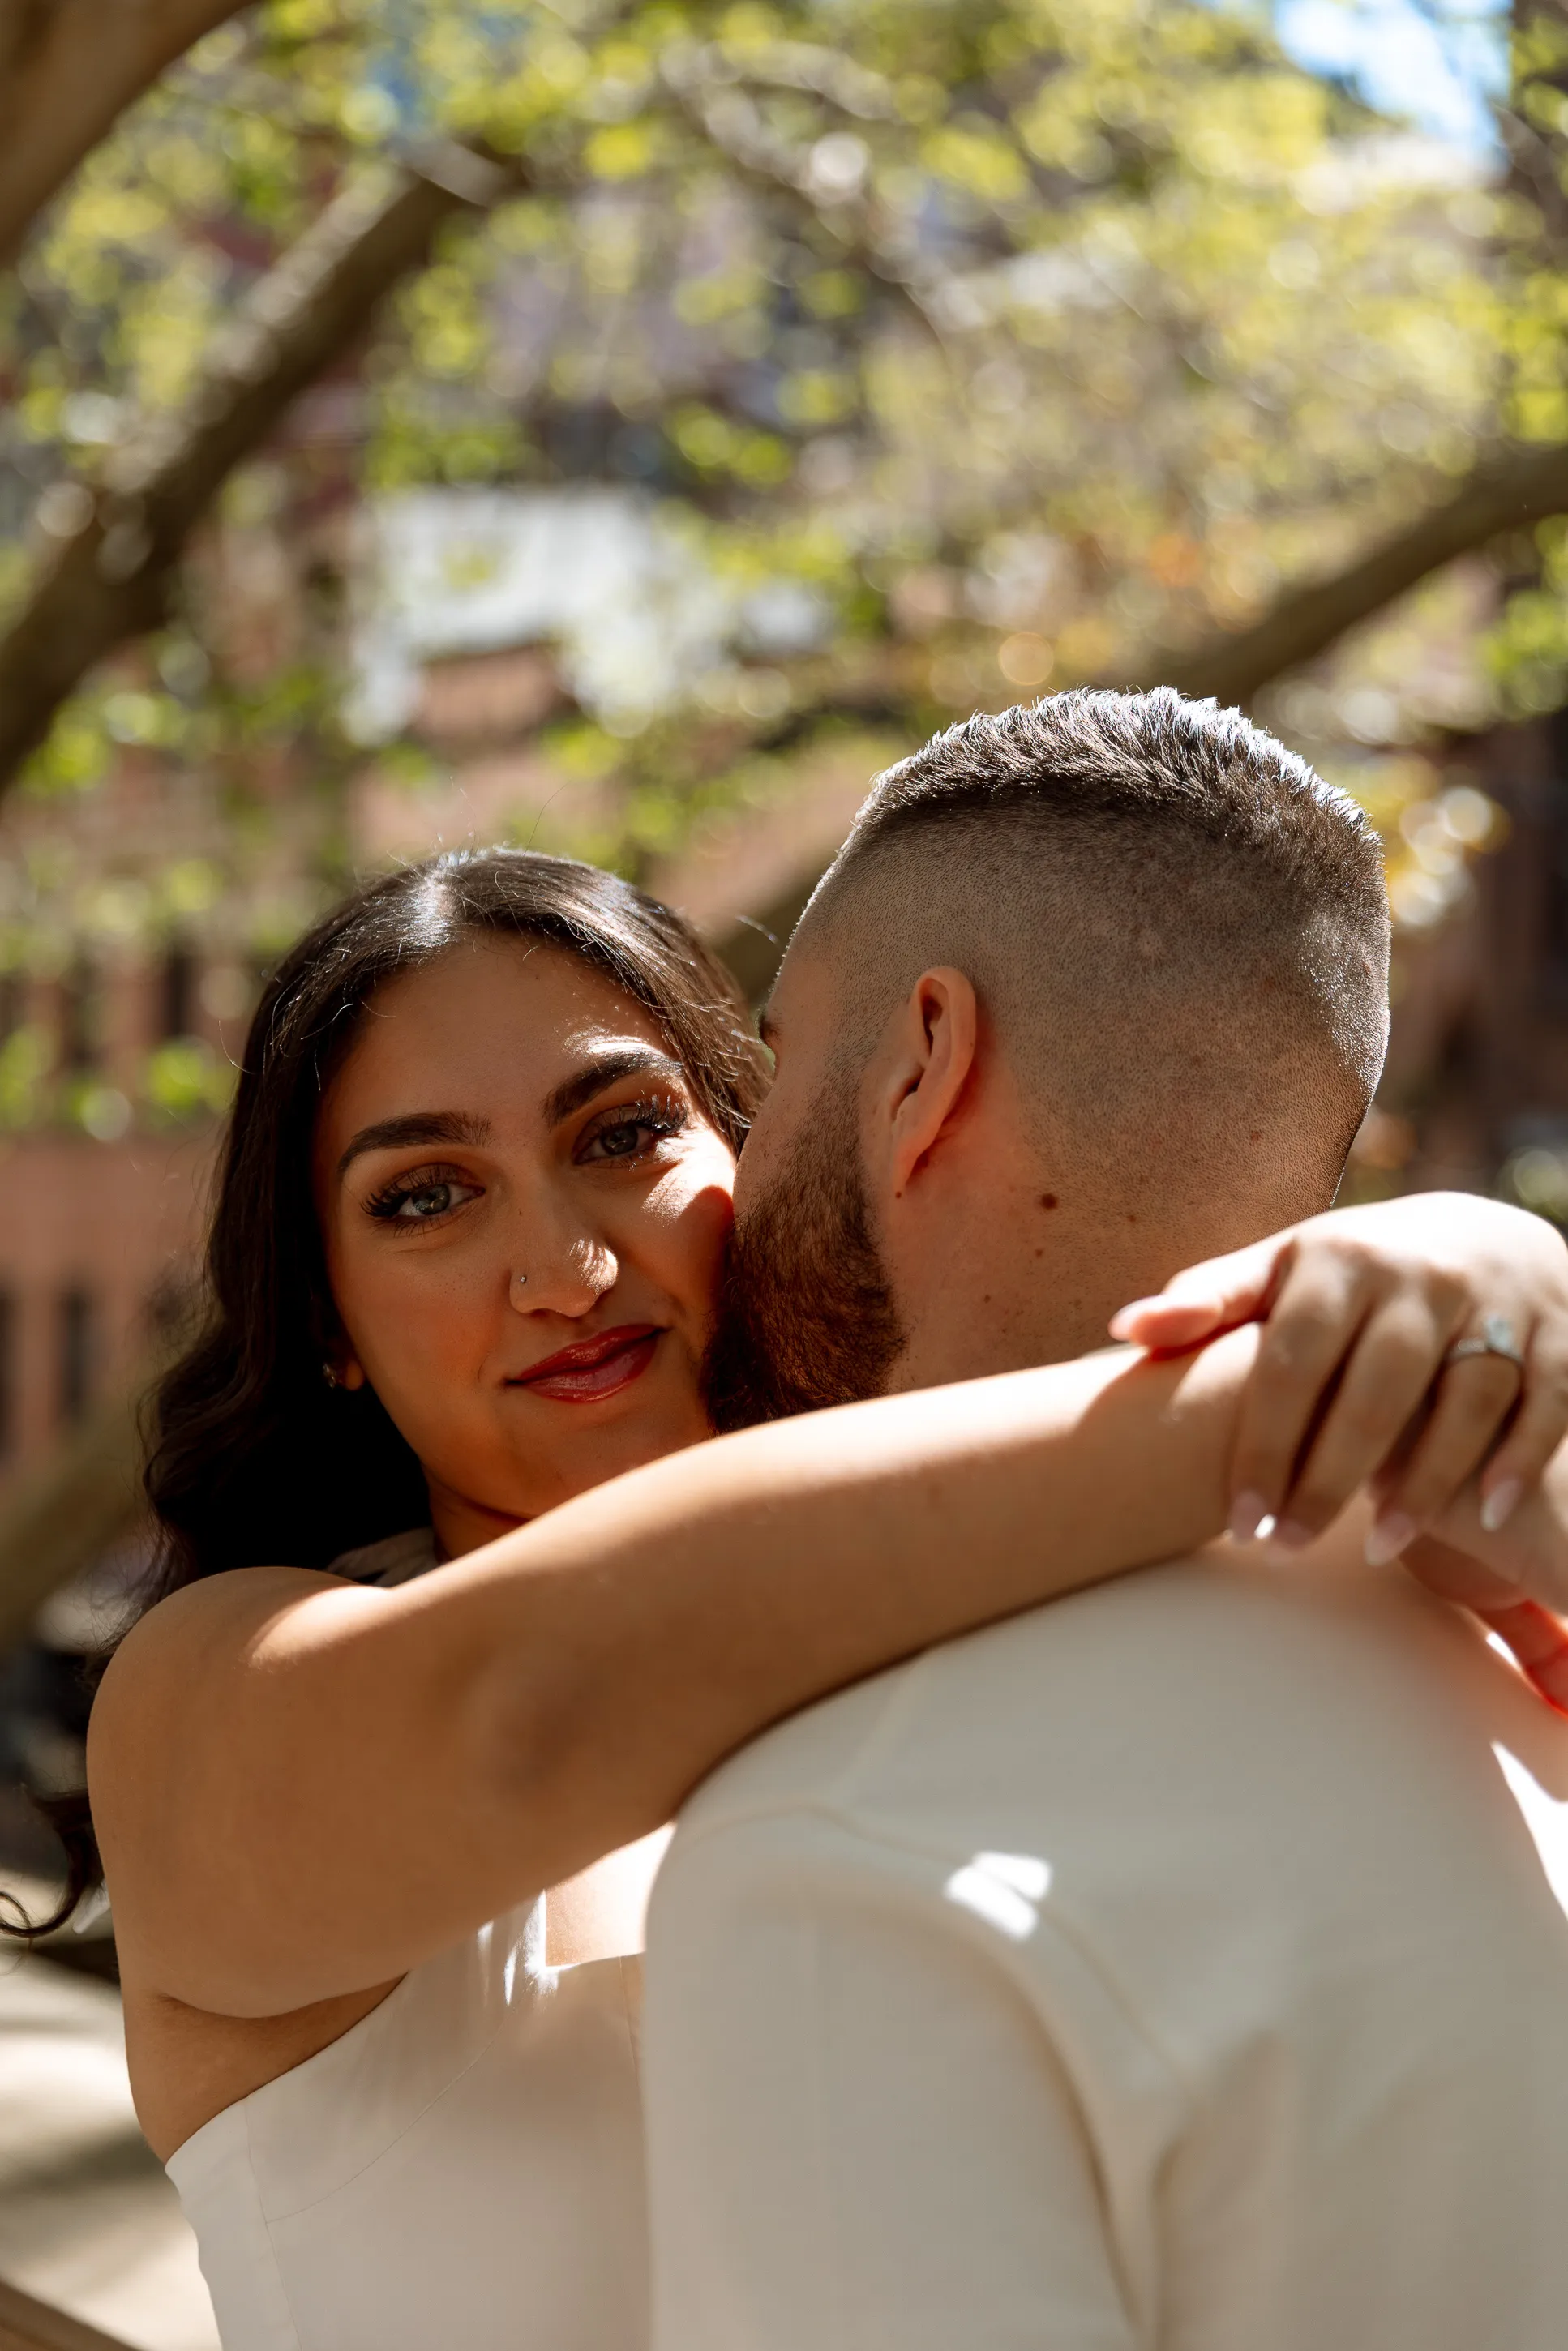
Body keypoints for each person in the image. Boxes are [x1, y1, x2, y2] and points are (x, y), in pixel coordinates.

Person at [75, 822, 1565, 2351]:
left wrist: (1464, 1273)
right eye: (423, 1198)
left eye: (619, 1134)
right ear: (328, 1323)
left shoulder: (1011, 1595)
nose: (564, 1269)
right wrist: (1334, 1376)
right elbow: (534, 1703)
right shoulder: (210, 1695)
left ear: (756, 1151)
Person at [642, 689, 1568, 2351]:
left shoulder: (837, 1851)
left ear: (924, 1065)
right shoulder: (1525, 1686)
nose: (733, 1159)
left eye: (778, 1061)